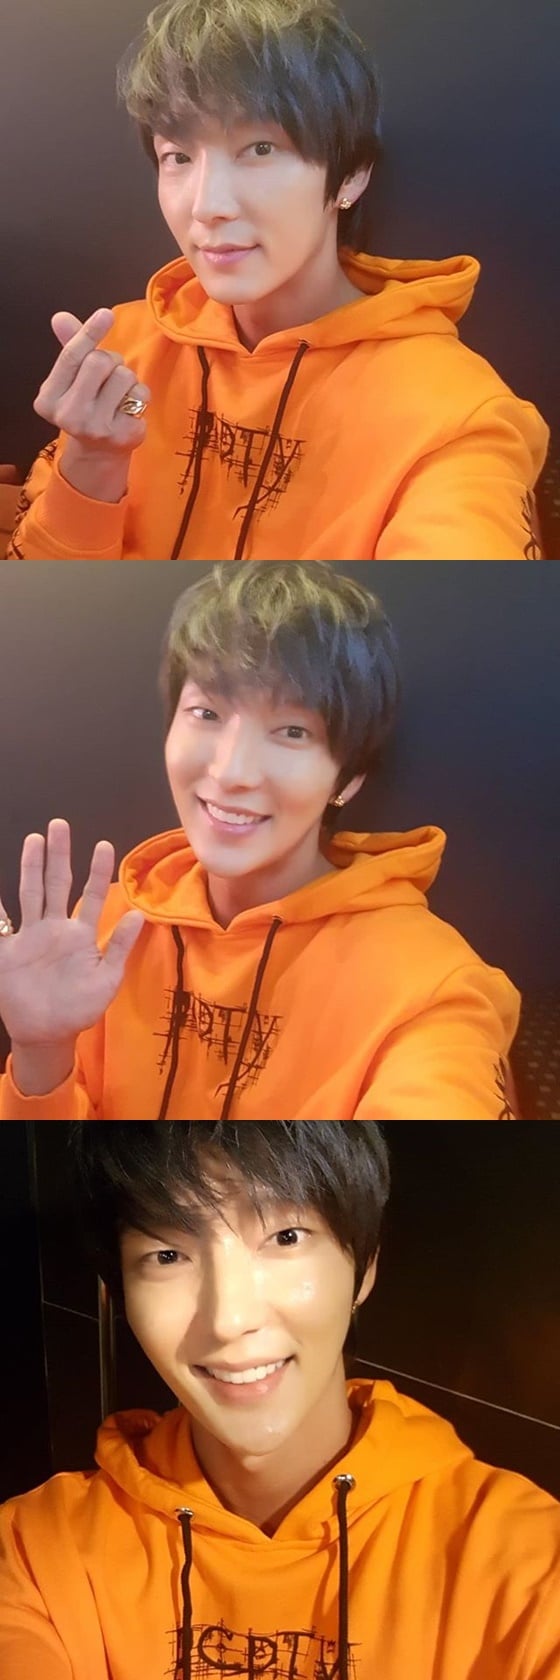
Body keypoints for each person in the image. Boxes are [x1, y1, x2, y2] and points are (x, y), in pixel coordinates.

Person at [0, 1120, 558, 1680]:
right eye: (168, 1255)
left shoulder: (525, 1561)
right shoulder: (35, 1553)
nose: (229, 1319)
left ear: (364, 1266)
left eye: (286, 1237)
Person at [6, 0, 549, 561]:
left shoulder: (454, 416)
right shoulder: (125, 358)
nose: (206, 206)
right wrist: (95, 460)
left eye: (260, 149)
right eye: (178, 157)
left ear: (351, 175)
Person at [0, 563, 520, 1120]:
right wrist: (41, 1050)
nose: (231, 772)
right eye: (206, 713)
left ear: (348, 779)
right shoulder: (109, 927)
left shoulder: (433, 989)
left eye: (293, 731)